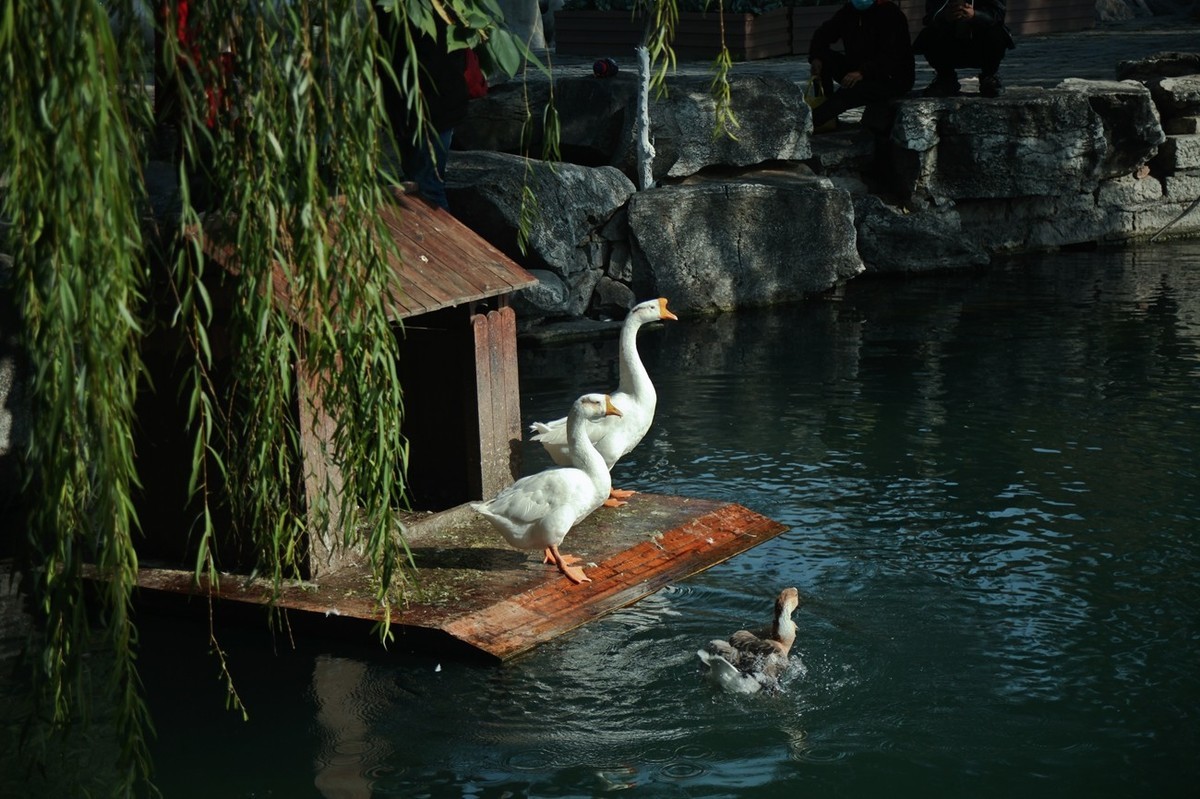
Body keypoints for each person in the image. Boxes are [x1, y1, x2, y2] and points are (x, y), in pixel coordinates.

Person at [375, 7, 469, 211]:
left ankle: (443, 240)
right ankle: (432, 236)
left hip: (430, 109)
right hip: (415, 108)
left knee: (428, 191)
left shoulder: (428, 8)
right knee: (420, 187)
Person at [807, 0, 915, 132]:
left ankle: (809, 121)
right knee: (823, 59)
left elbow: (893, 56)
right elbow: (822, 35)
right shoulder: (848, 12)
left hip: (890, 77)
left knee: (847, 95)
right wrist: (816, 57)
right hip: (857, 69)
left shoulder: (890, 14)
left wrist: (862, 72)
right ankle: (825, 110)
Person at [912, 1, 1015, 98]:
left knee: (996, 31)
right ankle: (946, 79)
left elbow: (998, 14)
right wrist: (945, 15)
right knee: (929, 33)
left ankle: (989, 76)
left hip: (982, 41)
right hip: (949, 42)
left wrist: (975, 15)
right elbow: (930, 15)